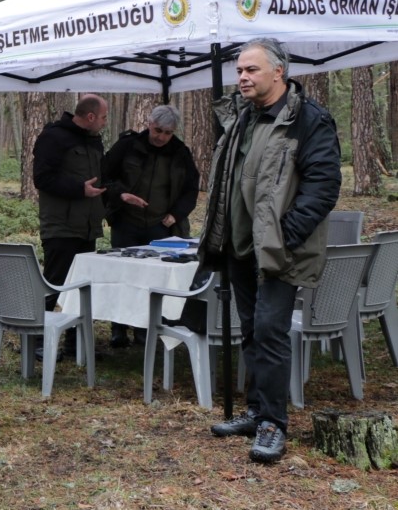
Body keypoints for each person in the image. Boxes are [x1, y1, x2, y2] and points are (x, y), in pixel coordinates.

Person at [199, 38, 340, 464]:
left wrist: (286, 234)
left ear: (279, 71)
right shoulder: (242, 117)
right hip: (240, 246)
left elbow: (323, 185)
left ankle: (273, 424)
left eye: (251, 70)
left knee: (270, 331)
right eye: (240, 70)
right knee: (250, 330)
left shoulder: (308, 119)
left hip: (280, 249)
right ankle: (256, 410)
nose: (242, 77)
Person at [100, 104, 201, 347]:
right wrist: (121, 195)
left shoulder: (180, 153)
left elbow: (191, 189)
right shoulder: (127, 146)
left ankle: (145, 327)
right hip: (126, 221)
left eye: (168, 133)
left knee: (153, 280)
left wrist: (176, 214)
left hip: (160, 225)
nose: (161, 137)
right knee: (122, 275)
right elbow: (105, 176)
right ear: (149, 123)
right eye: (158, 131)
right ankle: (118, 328)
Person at [32, 94, 108, 356]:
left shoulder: (94, 141)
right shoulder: (53, 138)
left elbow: (100, 178)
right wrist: (79, 189)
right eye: (103, 117)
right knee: (54, 283)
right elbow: (42, 178)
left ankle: (75, 343)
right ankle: (36, 339)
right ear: (90, 116)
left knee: (80, 287)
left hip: (87, 226)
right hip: (60, 226)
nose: (105, 122)